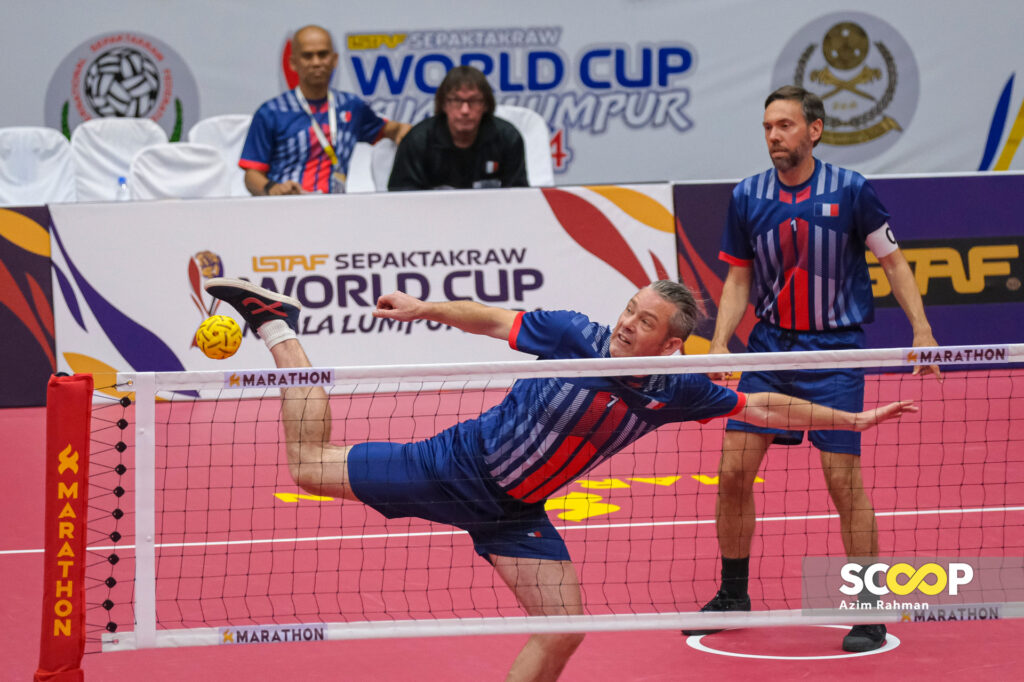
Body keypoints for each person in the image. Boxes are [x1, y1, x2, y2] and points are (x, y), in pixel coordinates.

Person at [203, 275, 917, 680]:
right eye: (629, 311)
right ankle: (277, 326)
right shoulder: (574, 333)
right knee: (309, 464)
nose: (626, 324)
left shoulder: (677, 387)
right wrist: (426, 309)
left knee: (566, 627)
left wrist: (847, 422)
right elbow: (492, 320)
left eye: (644, 322)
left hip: (516, 512)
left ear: (670, 343)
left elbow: (757, 399)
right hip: (455, 468)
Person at [685, 85, 941, 652]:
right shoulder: (748, 195)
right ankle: (733, 595)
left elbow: (893, 263)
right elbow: (738, 278)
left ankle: (869, 606)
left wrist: (921, 329)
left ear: (814, 130)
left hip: (834, 355)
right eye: (768, 127)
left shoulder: (851, 191)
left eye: (785, 125)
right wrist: (722, 342)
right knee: (731, 474)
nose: (774, 135)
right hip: (770, 354)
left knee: (843, 482)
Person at [239, 25, 410, 196]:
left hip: (334, 208)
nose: (316, 62)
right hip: (287, 205)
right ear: (293, 63)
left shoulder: (351, 106)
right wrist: (273, 189)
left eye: (323, 54)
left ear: (334, 59)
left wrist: (402, 131)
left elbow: (387, 129)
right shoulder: (271, 112)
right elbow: (251, 174)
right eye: (307, 56)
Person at [387, 66, 528, 191]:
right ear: (443, 104)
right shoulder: (418, 141)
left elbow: (519, 198)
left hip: (493, 216)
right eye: (456, 101)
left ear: (485, 105)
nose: (465, 110)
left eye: (473, 101)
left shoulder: (508, 138)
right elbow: (401, 200)